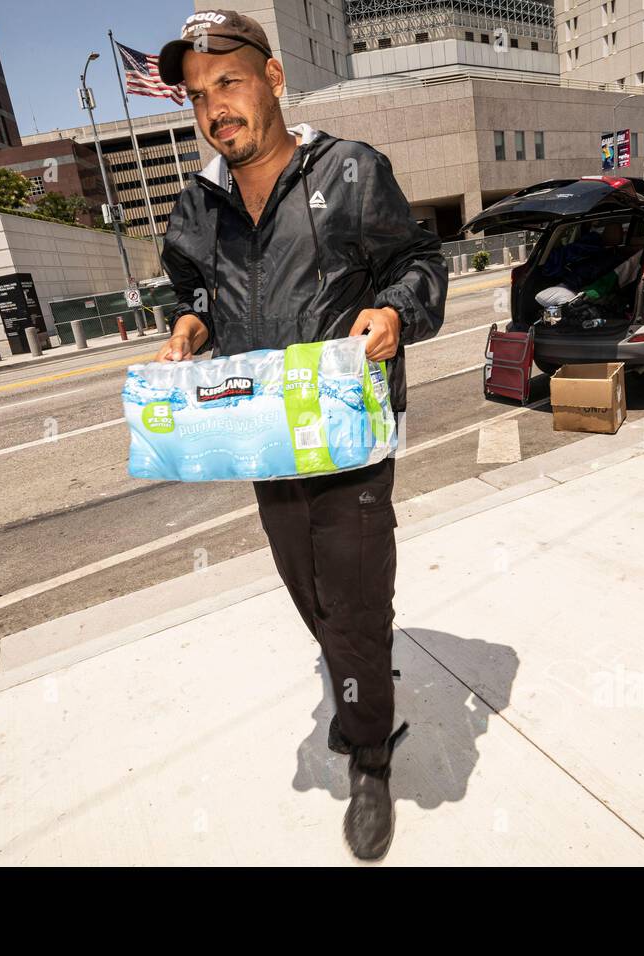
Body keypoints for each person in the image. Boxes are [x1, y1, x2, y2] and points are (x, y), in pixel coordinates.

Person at [154, 9, 447, 861]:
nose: (217, 109)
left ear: (273, 79)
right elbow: (195, 296)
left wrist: (394, 312)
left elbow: (421, 263)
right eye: (200, 97)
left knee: (355, 595)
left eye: (230, 84)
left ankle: (368, 748)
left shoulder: (350, 173)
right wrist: (189, 330)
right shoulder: (197, 206)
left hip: (347, 430)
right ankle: (362, 681)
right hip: (259, 435)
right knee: (305, 587)